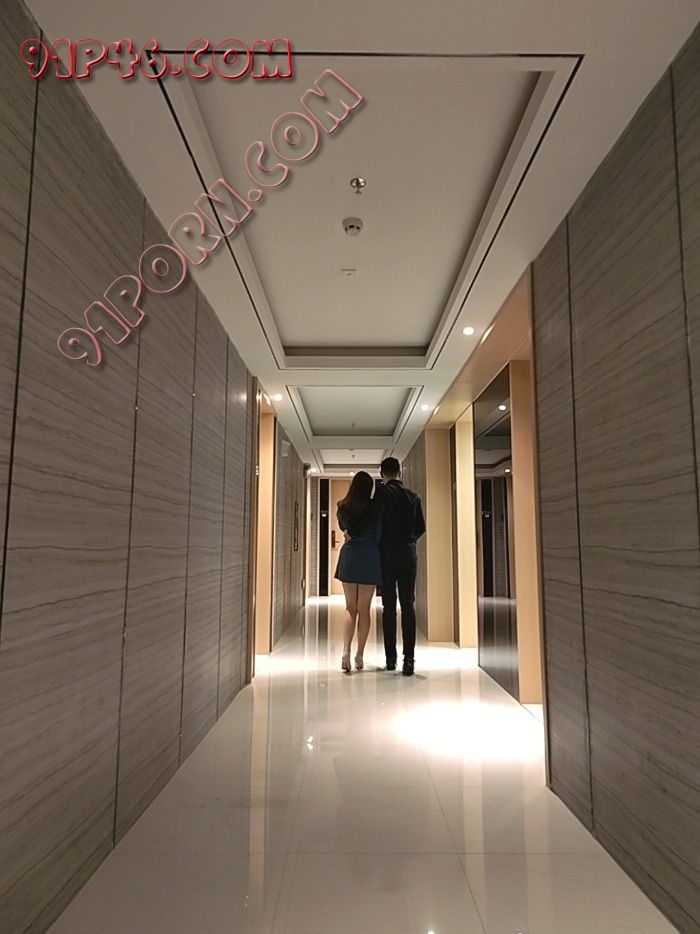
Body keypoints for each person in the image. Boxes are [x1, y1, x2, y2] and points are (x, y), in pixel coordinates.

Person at [375, 457, 426, 676]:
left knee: (388, 606)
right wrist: (408, 540)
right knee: (408, 605)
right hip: (407, 554)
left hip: (386, 555)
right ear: (399, 472)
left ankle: (390, 659)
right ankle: (409, 660)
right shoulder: (413, 496)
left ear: (382, 474)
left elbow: (375, 524)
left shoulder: (380, 495)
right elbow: (421, 527)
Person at [334, 470, 383, 673]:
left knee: (350, 608)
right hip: (369, 556)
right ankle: (359, 655)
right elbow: (378, 533)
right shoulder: (375, 508)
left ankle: (345, 651)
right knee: (364, 609)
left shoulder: (342, 507)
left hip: (350, 556)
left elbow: (345, 531)